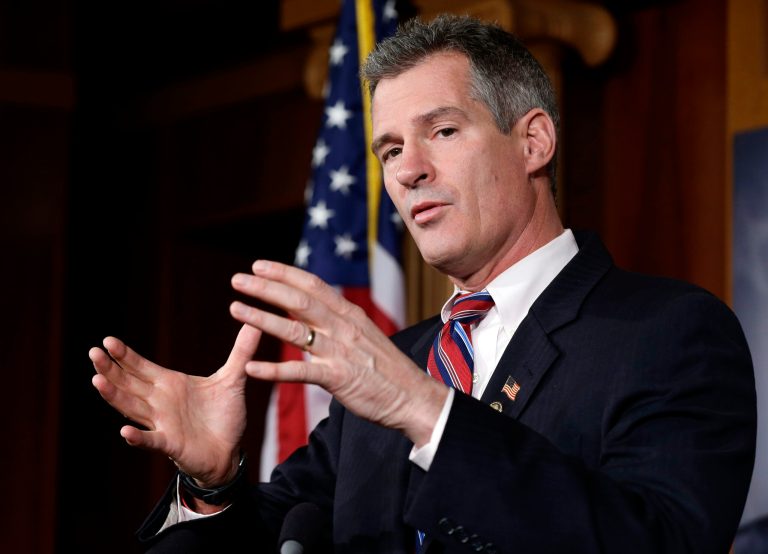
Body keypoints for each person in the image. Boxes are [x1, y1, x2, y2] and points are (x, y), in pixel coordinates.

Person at [90, 14, 756, 553]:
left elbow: (663, 540)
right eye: (389, 151)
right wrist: (214, 485)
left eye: (441, 130)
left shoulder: (669, 332)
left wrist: (427, 414)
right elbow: (271, 532)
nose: (407, 172)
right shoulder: (394, 364)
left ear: (534, 143)